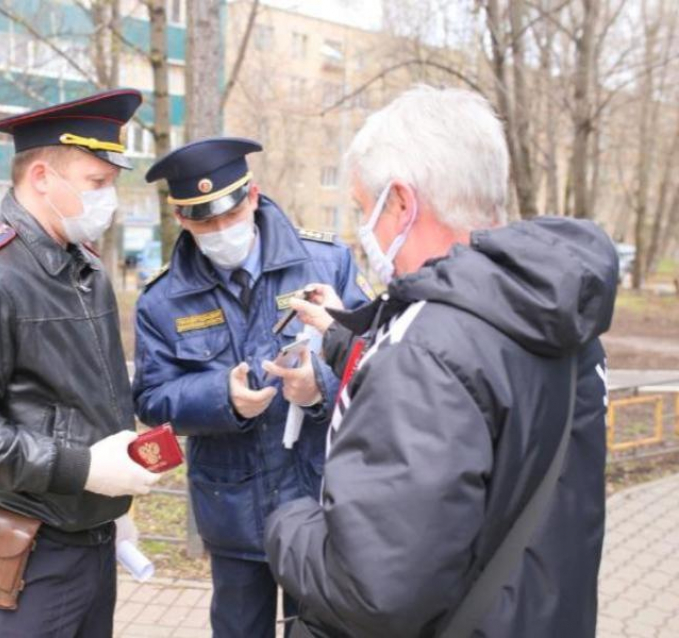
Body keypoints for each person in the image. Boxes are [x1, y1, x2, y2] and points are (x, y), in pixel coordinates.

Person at [264, 85, 618, 638]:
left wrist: (288, 522)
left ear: (402, 203)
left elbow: (372, 590)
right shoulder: (549, 310)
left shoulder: (426, 352)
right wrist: (340, 332)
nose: (365, 230)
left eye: (365, 207)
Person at [0, 89, 160, 637]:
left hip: (88, 540)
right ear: (42, 177)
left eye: (111, 184)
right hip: (23, 553)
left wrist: (109, 509)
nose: (109, 200)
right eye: (97, 184)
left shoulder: (83, 270)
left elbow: (87, 405)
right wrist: (84, 470)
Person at [132, 137, 374, 638]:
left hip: (320, 498)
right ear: (180, 216)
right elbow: (153, 397)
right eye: (204, 221)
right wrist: (222, 397)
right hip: (233, 506)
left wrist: (317, 389)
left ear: (254, 196)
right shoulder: (161, 298)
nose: (221, 231)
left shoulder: (326, 263)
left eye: (229, 213)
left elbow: (371, 362)